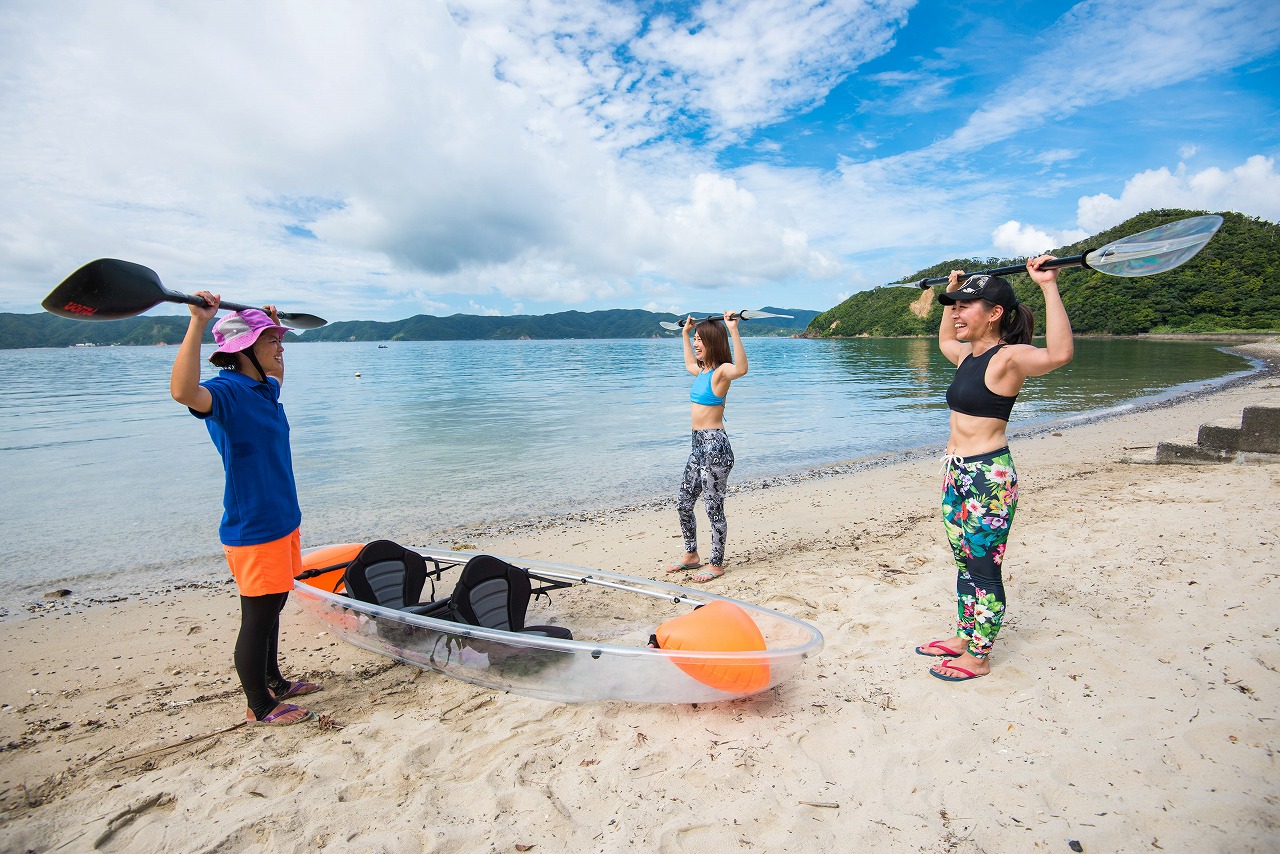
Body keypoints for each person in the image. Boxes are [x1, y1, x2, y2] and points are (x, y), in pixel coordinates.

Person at [916, 257, 1073, 682]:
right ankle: (965, 636)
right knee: (965, 562)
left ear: (995, 313)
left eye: (967, 306)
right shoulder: (967, 357)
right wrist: (953, 291)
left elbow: (1059, 353)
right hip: (956, 472)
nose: (957, 313)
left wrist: (1048, 285)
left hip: (989, 478)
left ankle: (979, 656)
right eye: (955, 306)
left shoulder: (1009, 359)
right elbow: (946, 338)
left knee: (985, 568)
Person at [170, 292, 320, 725]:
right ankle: (260, 705)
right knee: (256, 616)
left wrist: (266, 323)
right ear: (244, 349)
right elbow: (183, 391)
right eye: (272, 340)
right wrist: (199, 323)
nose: (281, 347)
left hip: (282, 519)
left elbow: (277, 372)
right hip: (253, 526)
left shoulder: (263, 387)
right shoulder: (227, 393)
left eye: (279, 339)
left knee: (273, 605)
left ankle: (275, 680)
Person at [667, 311, 749, 583]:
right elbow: (688, 362)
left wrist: (732, 328)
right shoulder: (701, 371)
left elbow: (742, 369)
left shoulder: (722, 372)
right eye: (696, 340)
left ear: (713, 343)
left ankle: (716, 563)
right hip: (697, 447)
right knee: (683, 502)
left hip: (716, 447)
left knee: (713, 506)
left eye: (701, 340)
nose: (696, 344)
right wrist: (685, 334)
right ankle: (691, 555)